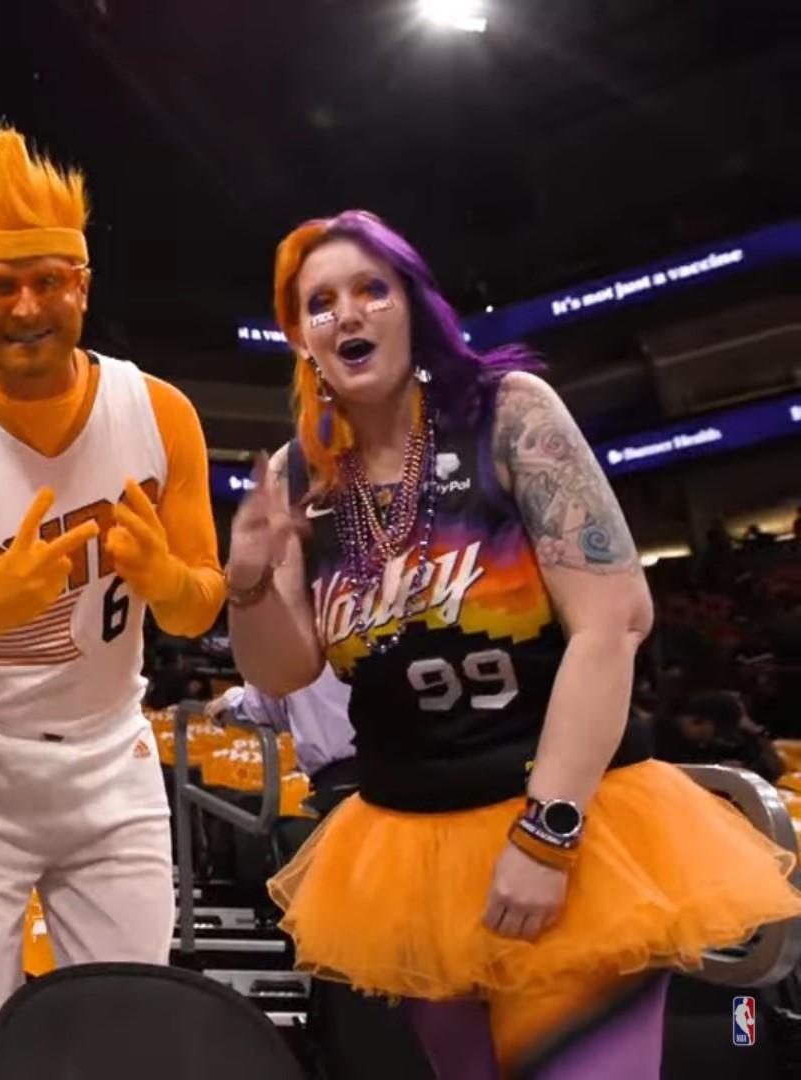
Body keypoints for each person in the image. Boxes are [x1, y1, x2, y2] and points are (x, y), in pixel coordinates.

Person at [226, 209, 801, 1078]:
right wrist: (248, 581)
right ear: (301, 337)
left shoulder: (506, 413)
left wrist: (547, 835)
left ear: (413, 306)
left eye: (371, 289)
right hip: (414, 847)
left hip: (565, 822)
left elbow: (614, 620)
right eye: (320, 303)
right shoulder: (300, 473)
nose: (346, 315)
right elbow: (284, 668)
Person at [0, 125, 226, 1074]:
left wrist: (165, 579)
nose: (27, 308)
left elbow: (197, 609)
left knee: (129, 1044)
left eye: (49, 280)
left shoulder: (160, 413)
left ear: (83, 287)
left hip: (113, 755)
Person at [208, 666, 357, 817]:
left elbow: (263, 707)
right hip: (358, 772)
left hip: (341, 781)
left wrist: (232, 702)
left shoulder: (295, 653)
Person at [653, 690, 784, 783]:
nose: (716, 739)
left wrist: (756, 732)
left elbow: (773, 771)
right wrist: (716, 770)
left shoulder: (701, 743)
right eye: (716, 733)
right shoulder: (656, 743)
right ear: (697, 722)